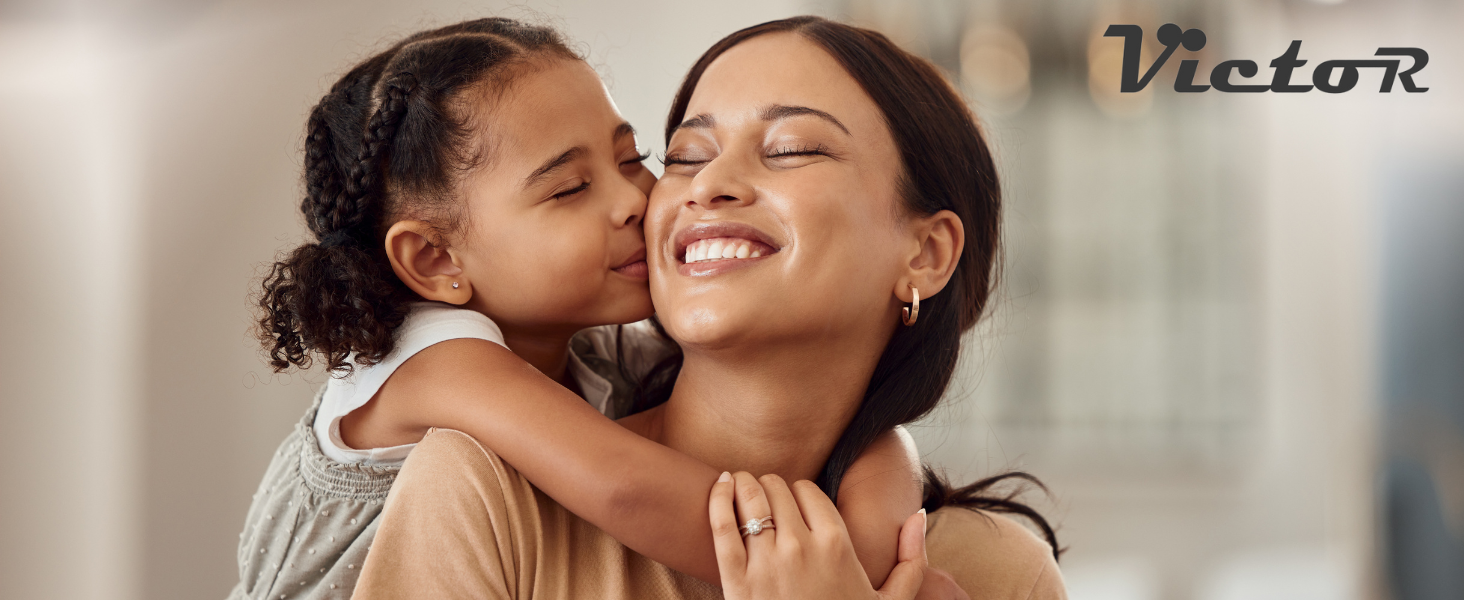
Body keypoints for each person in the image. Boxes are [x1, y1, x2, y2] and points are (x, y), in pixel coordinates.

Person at [352, 16, 1066, 600]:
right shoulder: (483, 493)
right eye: (688, 155)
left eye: (791, 148)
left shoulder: (999, 573)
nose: (708, 183)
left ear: (927, 254)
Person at [231, 17, 926, 600]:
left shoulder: (595, 355)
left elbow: (832, 413)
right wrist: (843, 575)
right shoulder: (437, 365)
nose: (634, 201)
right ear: (437, 260)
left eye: (634, 159)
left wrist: (879, 506)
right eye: (569, 189)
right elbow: (628, 490)